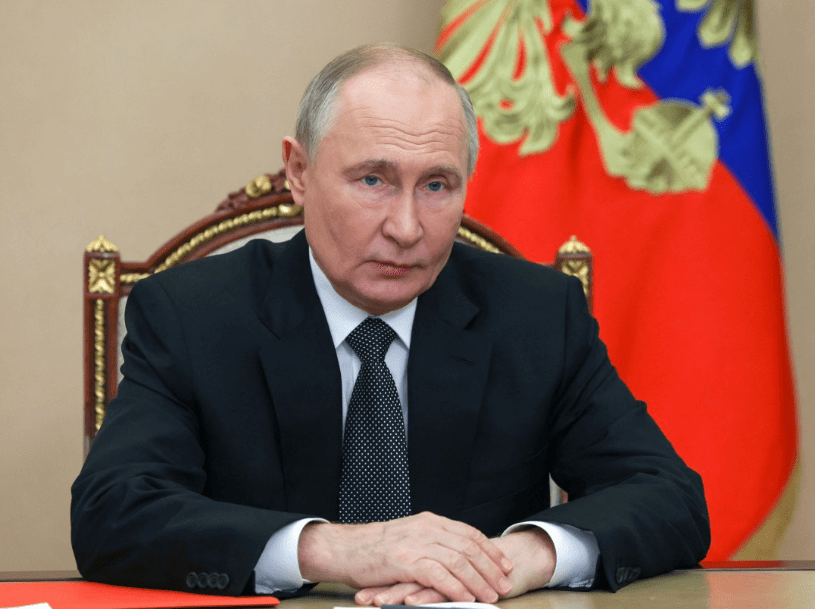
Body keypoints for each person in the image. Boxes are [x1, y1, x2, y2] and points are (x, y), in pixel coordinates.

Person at [71, 44, 710, 605]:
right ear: (298, 172)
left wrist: (519, 559)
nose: (406, 229)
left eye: (437, 185)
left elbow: (670, 498)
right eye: (373, 179)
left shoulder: (537, 314)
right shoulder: (192, 314)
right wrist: (340, 550)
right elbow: (113, 511)